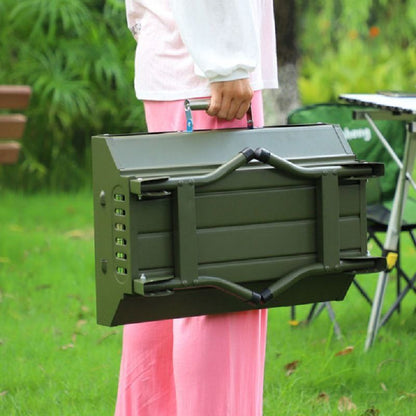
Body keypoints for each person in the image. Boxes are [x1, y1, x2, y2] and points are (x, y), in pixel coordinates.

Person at [115, 1, 278, 415]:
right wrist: (227, 63)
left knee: (166, 278)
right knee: (224, 285)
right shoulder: (221, 65)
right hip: (209, 76)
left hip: (179, 64)